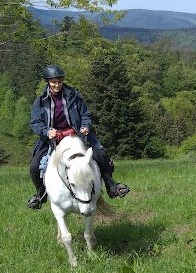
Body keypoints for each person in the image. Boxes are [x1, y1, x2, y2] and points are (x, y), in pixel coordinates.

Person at [27, 64, 130, 209]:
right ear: (48, 82)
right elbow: (35, 122)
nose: (57, 85)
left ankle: (111, 185)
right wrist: (46, 131)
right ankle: (40, 194)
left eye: (59, 81)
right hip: (53, 138)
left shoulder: (74, 96)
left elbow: (85, 114)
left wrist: (86, 126)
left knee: (100, 153)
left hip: (76, 134)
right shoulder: (40, 101)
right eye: (53, 82)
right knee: (34, 166)